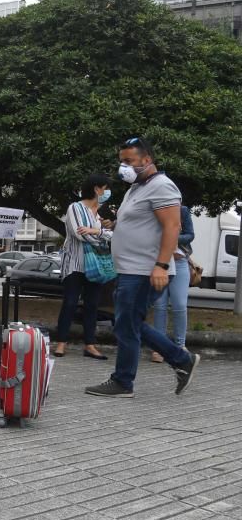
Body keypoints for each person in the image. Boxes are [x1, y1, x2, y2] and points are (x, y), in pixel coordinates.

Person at [85, 137, 199, 398]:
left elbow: (172, 227)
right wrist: (115, 226)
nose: (123, 167)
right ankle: (181, 360)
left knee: (126, 324)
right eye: (121, 161)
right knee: (128, 322)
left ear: (147, 160)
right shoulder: (137, 188)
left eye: (129, 161)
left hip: (145, 270)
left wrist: (160, 265)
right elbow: (143, 224)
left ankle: (124, 382)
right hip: (130, 269)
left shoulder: (162, 186)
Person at [53, 174, 113, 360]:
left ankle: (90, 344)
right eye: (105, 188)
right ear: (97, 189)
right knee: (70, 302)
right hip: (75, 263)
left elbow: (116, 234)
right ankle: (61, 342)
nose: (107, 192)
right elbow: (80, 234)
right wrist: (104, 233)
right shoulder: (75, 207)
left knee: (92, 305)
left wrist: (97, 230)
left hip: (96, 265)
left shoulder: (104, 213)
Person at [151, 204, 194, 363]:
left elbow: (190, 235)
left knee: (180, 304)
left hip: (180, 261)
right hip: (159, 261)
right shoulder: (154, 210)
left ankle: (180, 345)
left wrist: (172, 236)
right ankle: (159, 348)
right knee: (160, 306)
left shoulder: (182, 210)